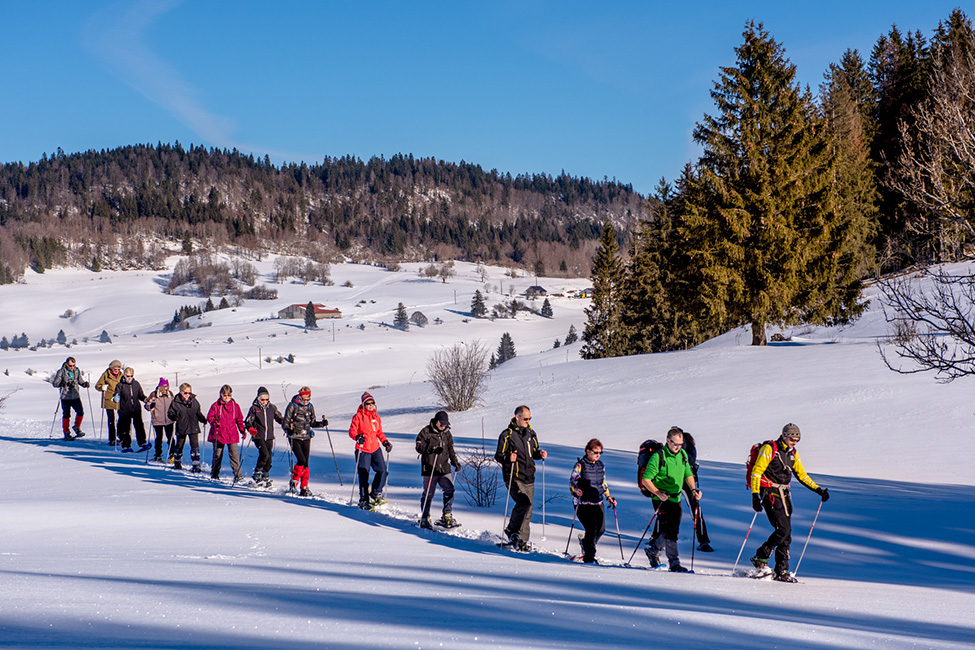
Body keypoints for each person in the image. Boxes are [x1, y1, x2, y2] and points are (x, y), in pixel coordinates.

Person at [749, 423, 829, 583]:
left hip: (784, 494)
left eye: (797, 439)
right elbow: (756, 472)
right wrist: (755, 496)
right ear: (784, 436)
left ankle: (782, 570)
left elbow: (801, 474)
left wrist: (818, 489)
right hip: (770, 493)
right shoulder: (769, 449)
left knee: (786, 533)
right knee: (783, 530)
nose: (795, 442)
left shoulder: (793, 453)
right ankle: (761, 556)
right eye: (793, 438)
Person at [641, 426, 701, 572]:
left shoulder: (682, 455)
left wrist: (693, 490)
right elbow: (646, 480)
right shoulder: (658, 456)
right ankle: (674, 563)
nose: (678, 447)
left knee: (670, 528)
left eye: (680, 445)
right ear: (668, 441)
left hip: (675, 497)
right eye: (675, 444)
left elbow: (688, 474)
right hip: (660, 498)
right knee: (672, 531)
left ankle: (653, 550)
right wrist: (658, 493)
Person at [494, 405, 547, 550]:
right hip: (513, 476)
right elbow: (498, 455)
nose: (528, 421)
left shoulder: (531, 433)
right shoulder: (507, 434)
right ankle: (512, 530)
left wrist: (540, 454)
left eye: (530, 418)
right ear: (517, 417)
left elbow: (534, 452)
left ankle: (521, 541)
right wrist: (508, 458)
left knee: (528, 510)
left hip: (529, 476)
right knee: (524, 503)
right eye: (525, 419)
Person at [569, 438, 617, 564]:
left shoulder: (600, 465)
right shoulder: (580, 465)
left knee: (601, 529)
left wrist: (608, 497)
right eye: (595, 452)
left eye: (600, 452)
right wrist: (576, 490)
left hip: (597, 501)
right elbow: (572, 481)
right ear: (587, 451)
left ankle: (587, 544)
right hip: (583, 503)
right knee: (591, 529)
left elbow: (603, 483)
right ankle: (589, 557)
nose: (598, 455)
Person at [415, 410, 461, 528]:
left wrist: (455, 461)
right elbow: (419, 446)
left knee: (449, 489)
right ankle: (425, 517)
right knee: (429, 493)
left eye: (445, 424)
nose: (443, 426)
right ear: (436, 421)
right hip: (430, 467)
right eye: (441, 424)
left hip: (444, 468)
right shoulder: (426, 431)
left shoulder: (447, 433)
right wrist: (432, 449)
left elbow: (450, 448)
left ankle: (446, 515)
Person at [349, 391, 392, 508]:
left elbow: (379, 432)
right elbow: (352, 431)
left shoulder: (376, 417)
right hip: (363, 450)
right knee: (364, 475)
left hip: (375, 449)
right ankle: (364, 499)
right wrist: (357, 437)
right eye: (368, 403)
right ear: (363, 404)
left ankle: (376, 492)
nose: (370, 405)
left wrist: (385, 441)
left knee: (383, 471)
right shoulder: (358, 417)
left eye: (372, 403)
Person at [282, 386, 326, 496]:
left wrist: (321, 424)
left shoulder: (310, 407)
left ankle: (304, 486)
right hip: (295, 436)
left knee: (306, 463)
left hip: (306, 436)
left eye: (307, 399)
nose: (305, 401)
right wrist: (288, 430)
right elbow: (285, 422)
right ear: (300, 397)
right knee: (301, 460)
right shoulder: (292, 406)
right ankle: (294, 481)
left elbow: (312, 422)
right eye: (304, 399)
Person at [244, 386, 283, 487]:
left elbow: (279, 417)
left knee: (269, 456)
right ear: (258, 399)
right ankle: (258, 472)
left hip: (269, 436)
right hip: (258, 436)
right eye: (262, 399)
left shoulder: (272, 407)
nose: (265, 401)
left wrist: (284, 421)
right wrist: (251, 429)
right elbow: (248, 421)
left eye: (266, 399)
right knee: (264, 453)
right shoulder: (254, 408)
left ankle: (265, 475)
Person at [206, 385, 246, 482]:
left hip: (231, 434)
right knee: (217, 455)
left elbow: (239, 419)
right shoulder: (216, 405)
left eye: (229, 395)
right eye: (225, 395)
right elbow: (210, 417)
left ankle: (238, 475)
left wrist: (242, 430)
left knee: (234, 455)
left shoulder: (235, 406)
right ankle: (215, 474)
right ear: (221, 394)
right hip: (218, 433)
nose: (227, 397)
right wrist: (214, 423)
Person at [682, 431, 713, 552]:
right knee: (696, 510)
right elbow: (691, 460)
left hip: (675, 480)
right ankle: (703, 540)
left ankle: (658, 538)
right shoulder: (689, 445)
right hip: (688, 481)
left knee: (667, 510)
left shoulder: (673, 446)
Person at [167, 383, 207, 472]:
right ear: (181, 392)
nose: (187, 395)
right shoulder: (176, 401)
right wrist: (174, 417)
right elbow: (170, 413)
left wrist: (203, 419)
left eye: (189, 393)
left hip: (193, 425)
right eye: (185, 393)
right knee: (179, 444)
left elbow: (198, 412)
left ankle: (196, 464)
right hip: (182, 425)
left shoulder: (194, 401)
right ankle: (177, 462)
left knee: (195, 445)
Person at [52, 356, 89, 440]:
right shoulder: (61, 372)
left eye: (73, 365)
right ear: (66, 364)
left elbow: (80, 380)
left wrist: (84, 384)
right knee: (66, 415)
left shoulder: (77, 370)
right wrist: (63, 383)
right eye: (70, 366)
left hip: (75, 395)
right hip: (65, 396)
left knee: (80, 412)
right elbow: (55, 384)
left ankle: (77, 427)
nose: (72, 367)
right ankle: (66, 432)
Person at [113, 367, 149, 453]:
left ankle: (142, 443)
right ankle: (126, 445)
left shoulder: (136, 384)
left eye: (131, 376)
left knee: (139, 426)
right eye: (127, 376)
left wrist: (146, 400)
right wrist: (116, 398)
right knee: (125, 428)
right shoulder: (120, 385)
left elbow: (140, 395)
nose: (129, 378)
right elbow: (116, 395)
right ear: (124, 375)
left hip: (136, 409)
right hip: (125, 410)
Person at [145, 378, 175, 462]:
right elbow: (147, 405)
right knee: (159, 438)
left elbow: (174, 405)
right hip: (157, 420)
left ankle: (172, 453)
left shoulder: (170, 394)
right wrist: (150, 406)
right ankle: (158, 455)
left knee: (170, 437)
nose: (165, 391)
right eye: (163, 389)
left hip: (169, 420)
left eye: (167, 388)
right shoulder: (154, 395)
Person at [95, 360, 123, 445]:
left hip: (119, 399)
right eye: (115, 369)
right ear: (111, 368)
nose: (117, 371)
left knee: (121, 419)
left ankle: (121, 436)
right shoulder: (106, 374)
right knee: (111, 420)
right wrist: (102, 388)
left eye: (118, 369)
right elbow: (97, 386)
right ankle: (112, 439)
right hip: (108, 399)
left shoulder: (121, 375)